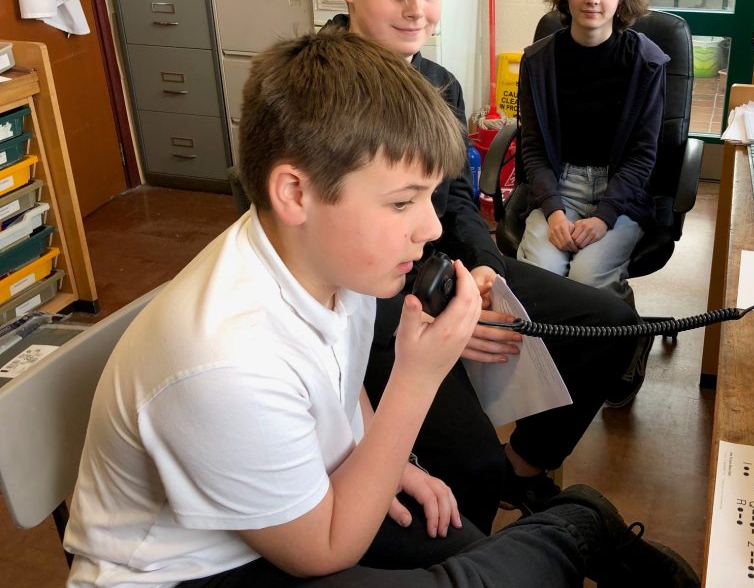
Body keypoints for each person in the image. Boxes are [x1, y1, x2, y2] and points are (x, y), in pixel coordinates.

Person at [62, 32, 699, 588]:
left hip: (290, 513)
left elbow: (341, 388)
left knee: (468, 548)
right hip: (196, 571)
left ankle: (564, 534)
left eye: (429, 198)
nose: (428, 228)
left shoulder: (335, 264)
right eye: (401, 204)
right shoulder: (224, 361)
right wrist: (417, 379)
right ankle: (580, 527)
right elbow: (322, 550)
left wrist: (389, 460)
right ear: (296, 193)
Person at [327, 0, 640, 529]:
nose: (417, 11)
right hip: (372, 303)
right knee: (466, 463)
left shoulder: (439, 84)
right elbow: (327, 271)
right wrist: (438, 319)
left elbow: (460, 199)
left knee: (609, 324)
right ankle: (471, 527)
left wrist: (487, 267)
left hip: (445, 268)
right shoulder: (322, 97)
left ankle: (521, 473)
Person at [516, 0, 668, 408]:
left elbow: (643, 156)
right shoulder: (539, 61)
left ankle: (626, 341)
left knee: (587, 279)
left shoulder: (647, 62)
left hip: (619, 193)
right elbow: (534, 148)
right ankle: (557, 372)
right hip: (557, 188)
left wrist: (604, 215)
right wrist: (553, 210)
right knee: (538, 275)